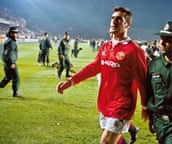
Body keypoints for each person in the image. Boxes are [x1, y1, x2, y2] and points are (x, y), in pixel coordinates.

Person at [56, 6, 148, 144]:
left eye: (119, 19)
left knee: (105, 142)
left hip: (122, 105)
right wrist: (70, 82)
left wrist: (145, 106)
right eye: (112, 18)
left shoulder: (134, 50)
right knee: (114, 139)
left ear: (127, 25)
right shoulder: (106, 46)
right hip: (105, 102)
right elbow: (93, 68)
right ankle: (131, 131)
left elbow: (142, 80)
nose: (113, 22)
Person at [0, 26, 22, 97]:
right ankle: (15, 93)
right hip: (10, 63)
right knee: (16, 77)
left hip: (6, 62)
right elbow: (10, 53)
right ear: (11, 33)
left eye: (16, 33)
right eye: (14, 33)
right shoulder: (11, 41)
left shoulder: (5, 40)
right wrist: (12, 62)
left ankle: (15, 92)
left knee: (7, 78)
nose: (16, 34)